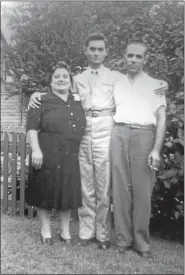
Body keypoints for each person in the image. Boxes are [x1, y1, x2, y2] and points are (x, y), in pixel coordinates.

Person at [28, 32, 167, 250]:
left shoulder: (116, 77)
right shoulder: (78, 78)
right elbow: (59, 91)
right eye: (91, 49)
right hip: (84, 129)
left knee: (104, 183)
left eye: (100, 49)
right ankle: (85, 232)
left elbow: (140, 80)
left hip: (106, 126)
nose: (95, 53)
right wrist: (35, 94)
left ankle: (102, 235)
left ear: (106, 52)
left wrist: (163, 84)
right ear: (85, 51)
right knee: (86, 182)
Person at [110, 41, 167, 257]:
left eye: (138, 56)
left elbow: (161, 118)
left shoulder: (155, 85)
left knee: (143, 191)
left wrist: (156, 150)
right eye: (129, 56)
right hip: (119, 133)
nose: (133, 60)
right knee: (120, 189)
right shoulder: (116, 82)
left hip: (144, 135)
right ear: (123, 57)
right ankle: (123, 240)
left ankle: (141, 243)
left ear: (145, 59)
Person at [26, 61, 86, 245]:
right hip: (46, 151)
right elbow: (31, 128)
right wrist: (36, 150)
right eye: (56, 77)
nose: (61, 79)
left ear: (70, 80)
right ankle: (46, 232)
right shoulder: (40, 100)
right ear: (51, 82)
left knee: (67, 192)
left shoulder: (77, 100)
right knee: (45, 191)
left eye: (65, 76)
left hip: (70, 153)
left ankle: (65, 232)